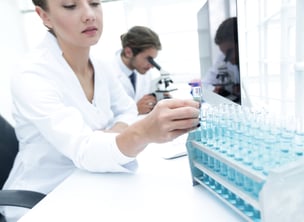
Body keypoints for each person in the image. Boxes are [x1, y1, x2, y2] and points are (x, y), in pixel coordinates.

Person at [0, 0, 200, 221]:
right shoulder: (31, 75)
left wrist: (108, 136)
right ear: (44, 16)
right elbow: (83, 149)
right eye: (70, 5)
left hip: (93, 179)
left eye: (94, 3)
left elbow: (127, 111)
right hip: (46, 196)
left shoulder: (100, 65)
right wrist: (141, 133)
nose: (89, 15)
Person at [105, 26, 162, 115]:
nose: (152, 66)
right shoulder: (106, 72)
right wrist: (134, 109)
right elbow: (103, 116)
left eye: (153, 61)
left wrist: (158, 100)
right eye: (149, 59)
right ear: (128, 52)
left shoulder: (144, 70)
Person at [202, 17, 241, 104]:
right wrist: (215, 89)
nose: (226, 58)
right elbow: (205, 83)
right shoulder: (223, 57)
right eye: (224, 53)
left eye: (230, 51)